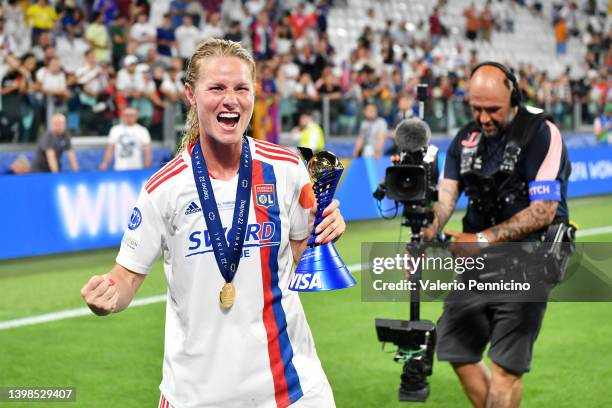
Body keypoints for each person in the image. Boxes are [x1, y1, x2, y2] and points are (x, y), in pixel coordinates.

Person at [81, 39, 345, 408]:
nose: (230, 99)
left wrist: (325, 230)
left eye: (241, 88)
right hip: (197, 395)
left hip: (292, 389)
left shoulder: (287, 169)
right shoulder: (164, 189)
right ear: (191, 94)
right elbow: (125, 278)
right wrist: (106, 295)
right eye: (217, 88)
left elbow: (298, 261)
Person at [423, 62, 571, 408]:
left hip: (531, 259)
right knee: (455, 346)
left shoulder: (542, 133)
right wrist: (426, 230)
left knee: (505, 368)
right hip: (481, 261)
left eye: (493, 110)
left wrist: (482, 240)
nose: (484, 118)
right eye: (476, 108)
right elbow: (446, 199)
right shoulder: (465, 138)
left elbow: (544, 209)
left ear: (514, 96)